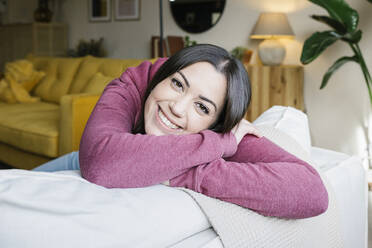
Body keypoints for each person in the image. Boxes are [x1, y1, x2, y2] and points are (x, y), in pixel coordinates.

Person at [33, 44, 328, 219]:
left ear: (216, 122)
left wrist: (189, 172)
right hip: (76, 159)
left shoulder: (229, 129)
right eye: (177, 84)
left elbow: (311, 192)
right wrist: (217, 144)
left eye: (202, 107)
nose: (177, 107)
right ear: (163, 75)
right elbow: (100, 162)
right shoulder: (133, 83)